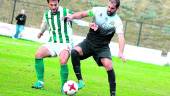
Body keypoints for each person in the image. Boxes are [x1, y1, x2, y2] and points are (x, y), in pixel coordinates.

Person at [65, 0, 125, 96]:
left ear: (117, 8)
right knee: (74, 52)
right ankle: (80, 81)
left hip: (102, 47)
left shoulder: (117, 21)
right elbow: (82, 14)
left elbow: (121, 37)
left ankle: (113, 94)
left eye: (112, 8)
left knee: (109, 65)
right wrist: (71, 16)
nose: (109, 9)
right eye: (108, 7)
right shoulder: (98, 10)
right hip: (89, 42)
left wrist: (121, 52)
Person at [31, 0, 89, 95]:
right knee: (38, 55)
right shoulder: (47, 14)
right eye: (51, 5)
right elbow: (45, 24)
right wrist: (41, 32)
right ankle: (40, 82)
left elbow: (77, 20)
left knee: (63, 61)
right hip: (52, 43)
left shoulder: (66, 12)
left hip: (65, 43)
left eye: (55, 5)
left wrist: (88, 24)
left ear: (58, 3)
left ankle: (63, 87)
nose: (53, 7)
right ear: (48, 4)